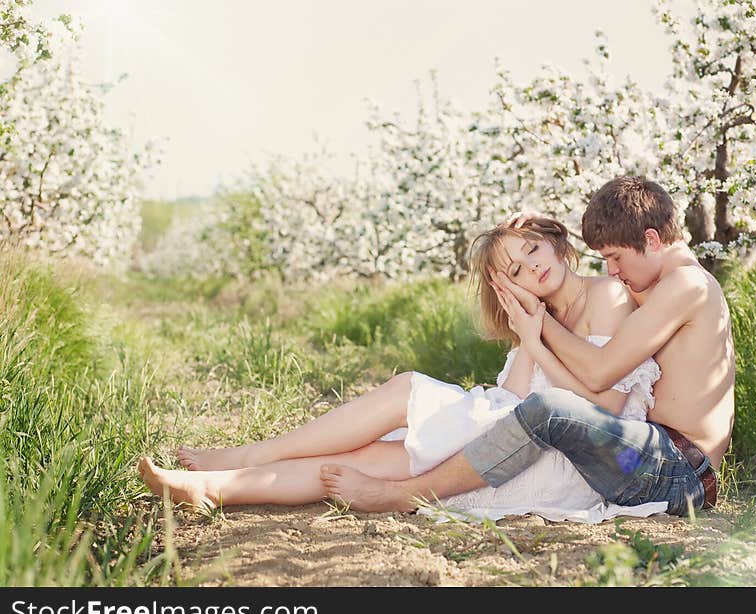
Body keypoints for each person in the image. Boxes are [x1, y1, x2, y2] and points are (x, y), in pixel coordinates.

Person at [137, 214, 666, 522]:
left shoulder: (608, 295)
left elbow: (601, 411)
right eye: (514, 270)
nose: (532, 265)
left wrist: (537, 336)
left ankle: (251, 456)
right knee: (364, 458)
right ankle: (215, 487)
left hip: (565, 462)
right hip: (512, 437)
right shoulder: (539, 316)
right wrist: (530, 333)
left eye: (532, 249)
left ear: (555, 241)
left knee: (407, 389)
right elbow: (515, 395)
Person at [317, 176, 735, 517]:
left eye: (615, 258)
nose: (612, 270)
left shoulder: (687, 285)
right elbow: (605, 285)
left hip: (678, 473)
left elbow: (600, 369)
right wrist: (548, 233)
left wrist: (538, 328)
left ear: (653, 239)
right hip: (647, 455)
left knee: (549, 410)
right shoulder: (667, 285)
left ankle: (405, 496)